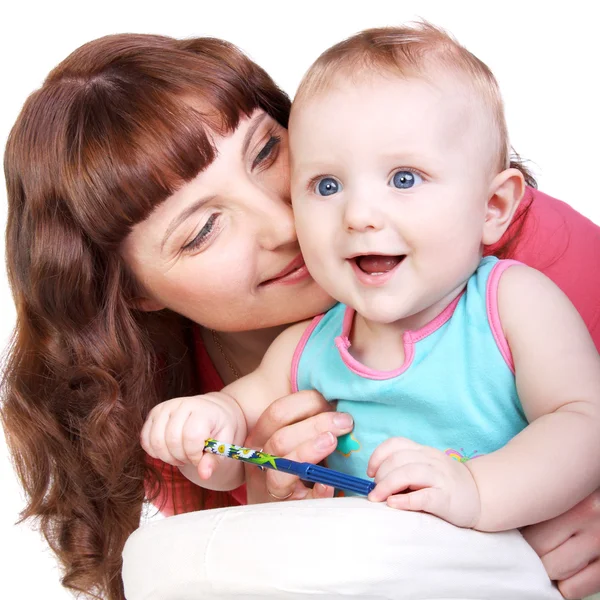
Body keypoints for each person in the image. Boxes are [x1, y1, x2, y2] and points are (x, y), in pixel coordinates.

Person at [1, 31, 599, 600]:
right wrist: (238, 466)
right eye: (205, 229)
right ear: (133, 294)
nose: (286, 224)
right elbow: (224, 451)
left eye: (268, 152)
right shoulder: (229, 365)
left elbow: (584, 420)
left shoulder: (514, 268)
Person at [141, 22, 600, 535]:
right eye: (327, 184)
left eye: (404, 178)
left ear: (492, 208)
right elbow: (233, 456)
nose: (358, 214)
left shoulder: (512, 303)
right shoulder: (308, 347)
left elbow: (583, 423)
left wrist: (477, 491)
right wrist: (203, 422)